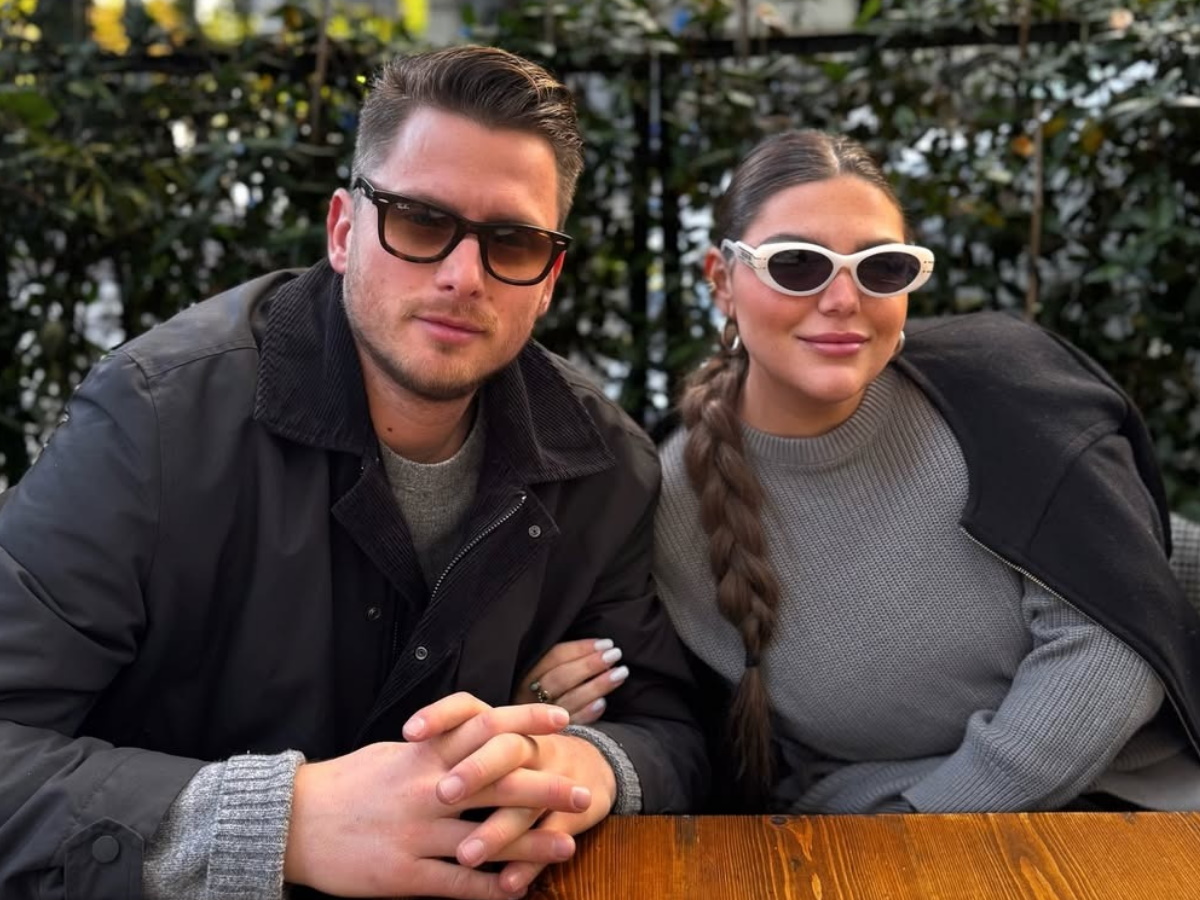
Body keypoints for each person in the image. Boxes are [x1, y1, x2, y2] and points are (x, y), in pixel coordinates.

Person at [0, 45, 706, 900]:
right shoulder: (154, 422)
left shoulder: (600, 461)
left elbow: (672, 733)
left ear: (549, 276)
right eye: (420, 221)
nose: (463, 276)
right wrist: (283, 823)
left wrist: (572, 763)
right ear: (343, 230)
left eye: (513, 241)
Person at [529, 129, 1200, 815]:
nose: (843, 298)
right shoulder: (663, 505)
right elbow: (716, 749)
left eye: (881, 267)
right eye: (797, 264)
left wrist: (912, 816)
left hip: (1146, 810)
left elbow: (1114, 651)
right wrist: (540, 705)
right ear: (722, 281)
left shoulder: (1009, 394)